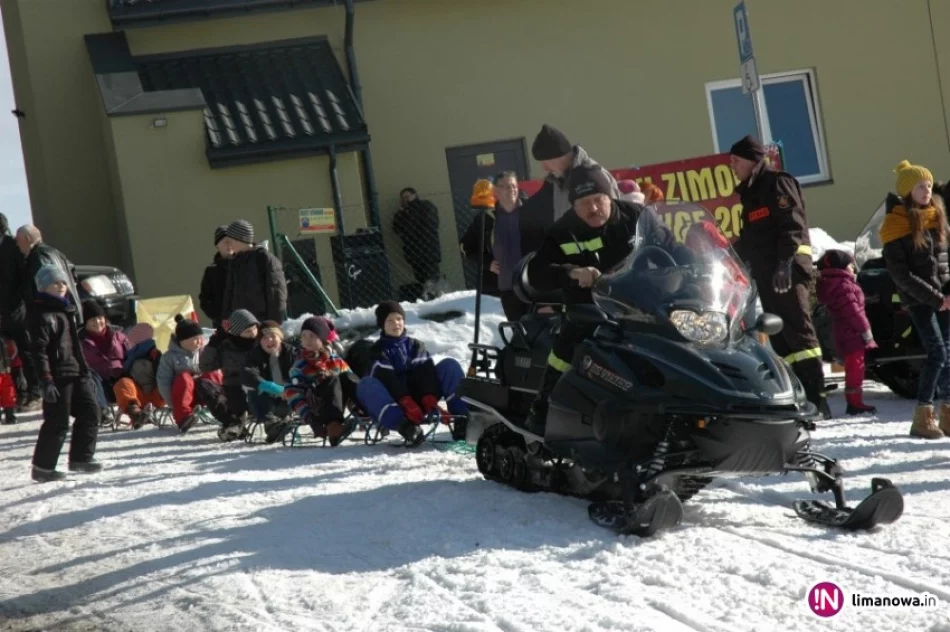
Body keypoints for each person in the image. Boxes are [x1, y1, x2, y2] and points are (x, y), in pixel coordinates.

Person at [521, 166, 667, 435]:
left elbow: (669, 248)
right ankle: (542, 411)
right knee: (569, 344)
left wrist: (695, 267)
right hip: (588, 307)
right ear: (573, 205)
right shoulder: (562, 231)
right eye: (584, 203)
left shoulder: (637, 217)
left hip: (640, 304)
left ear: (610, 197)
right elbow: (538, 274)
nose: (593, 208)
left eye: (598, 200)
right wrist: (571, 273)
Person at [729, 134, 828, 418]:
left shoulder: (777, 183)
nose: (732, 166)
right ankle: (798, 394)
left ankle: (818, 399)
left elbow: (792, 226)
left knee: (800, 334)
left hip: (788, 273)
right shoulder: (751, 193)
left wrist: (785, 264)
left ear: (751, 160)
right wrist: (726, 253)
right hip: (767, 275)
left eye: (735, 160)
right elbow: (753, 239)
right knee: (782, 337)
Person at [880, 160, 950, 439]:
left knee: (948, 354)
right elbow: (901, 275)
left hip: (943, 299)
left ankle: (947, 415)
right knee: (937, 353)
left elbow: (945, 262)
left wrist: (947, 293)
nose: (927, 190)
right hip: (920, 300)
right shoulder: (895, 225)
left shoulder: (937, 217)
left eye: (929, 185)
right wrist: (936, 298)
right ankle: (922, 416)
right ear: (908, 191)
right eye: (921, 186)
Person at [356, 302, 469, 447]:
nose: (396, 323)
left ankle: (461, 420)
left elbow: (425, 372)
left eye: (399, 319)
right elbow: (387, 378)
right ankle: (407, 428)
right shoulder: (376, 351)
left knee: (450, 366)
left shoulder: (416, 345)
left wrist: (429, 398)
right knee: (365, 385)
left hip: (421, 399)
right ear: (382, 325)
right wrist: (405, 400)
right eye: (390, 320)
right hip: (395, 404)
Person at [29, 265, 101, 482]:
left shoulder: (66, 309)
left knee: (91, 411)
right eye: (55, 283)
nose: (61, 286)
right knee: (57, 421)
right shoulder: (42, 314)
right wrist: (46, 380)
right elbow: (39, 351)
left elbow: (75, 346)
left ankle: (81, 458)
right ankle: (43, 468)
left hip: (76, 371)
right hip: (57, 375)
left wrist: (85, 370)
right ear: (43, 287)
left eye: (63, 282)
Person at [519, 124, 619, 239]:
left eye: (545, 162)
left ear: (558, 156)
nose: (544, 168)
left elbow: (615, 214)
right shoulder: (557, 180)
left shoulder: (595, 176)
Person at [816, 250, 877, 416]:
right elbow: (854, 312)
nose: (853, 268)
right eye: (850, 265)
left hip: (843, 331)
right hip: (852, 332)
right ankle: (855, 403)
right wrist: (866, 331)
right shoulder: (844, 285)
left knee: (853, 367)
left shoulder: (834, 284)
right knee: (856, 368)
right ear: (841, 267)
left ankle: (854, 401)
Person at [282, 316, 359, 447]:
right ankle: (333, 427)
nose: (307, 340)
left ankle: (368, 410)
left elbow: (350, 382)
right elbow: (292, 392)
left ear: (323, 339)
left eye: (312, 336)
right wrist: (309, 418)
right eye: (304, 336)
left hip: (337, 402)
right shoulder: (300, 365)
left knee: (347, 376)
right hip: (315, 409)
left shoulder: (335, 360)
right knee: (330, 379)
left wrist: (355, 406)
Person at [156, 315, 233, 434]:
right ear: (182, 340)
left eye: (200, 338)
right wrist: (173, 403)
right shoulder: (169, 358)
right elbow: (163, 382)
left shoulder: (203, 352)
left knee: (212, 371)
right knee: (184, 378)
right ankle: (183, 417)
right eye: (195, 339)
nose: (200, 341)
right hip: (181, 398)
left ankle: (225, 405)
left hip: (205, 393)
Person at [199, 309, 260, 441]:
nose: (253, 334)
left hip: (258, 388)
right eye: (248, 331)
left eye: (255, 329)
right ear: (237, 332)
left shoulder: (261, 344)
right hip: (233, 389)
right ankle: (233, 422)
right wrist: (213, 344)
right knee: (204, 385)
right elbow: (205, 365)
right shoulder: (226, 347)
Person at [0, 213, 40, 411]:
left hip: (16, 309)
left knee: (25, 351)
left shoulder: (12, 246)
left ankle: (34, 392)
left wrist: (17, 304)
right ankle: (19, 393)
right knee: (9, 355)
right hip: (5, 310)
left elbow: (23, 278)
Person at [219, 220, 288, 324]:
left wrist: (273, 324)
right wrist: (226, 316)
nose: (228, 245)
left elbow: (276, 294)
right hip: (240, 323)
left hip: (261, 322)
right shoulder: (234, 261)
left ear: (240, 239)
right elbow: (229, 292)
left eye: (230, 241)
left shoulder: (264, 259)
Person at [17, 225, 82, 326]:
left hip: (55, 319)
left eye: (18, 240)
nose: (17, 244)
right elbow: (73, 275)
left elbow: (49, 289)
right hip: (67, 313)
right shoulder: (54, 251)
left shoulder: (38, 256)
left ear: (27, 239)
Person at [242, 320, 295, 443]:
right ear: (260, 341)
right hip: (265, 403)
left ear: (280, 338)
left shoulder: (291, 352)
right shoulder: (254, 355)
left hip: (288, 400)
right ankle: (272, 425)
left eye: (273, 336)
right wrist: (269, 386)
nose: (269, 340)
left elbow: (300, 371)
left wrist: (288, 387)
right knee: (255, 390)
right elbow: (248, 373)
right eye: (264, 338)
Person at [113, 324, 164, 429]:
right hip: (137, 396)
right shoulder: (127, 356)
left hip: (155, 394)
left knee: (166, 382)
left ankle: (138, 412)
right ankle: (136, 413)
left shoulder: (157, 354)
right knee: (123, 383)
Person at [393, 187, 443, 292]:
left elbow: (431, 223)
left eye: (407, 196)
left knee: (432, 273)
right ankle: (429, 292)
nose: (405, 200)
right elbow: (396, 229)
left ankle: (436, 292)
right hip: (413, 249)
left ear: (414, 195)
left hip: (428, 247)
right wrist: (402, 213)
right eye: (403, 198)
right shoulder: (403, 213)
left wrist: (409, 214)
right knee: (420, 275)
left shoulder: (425, 206)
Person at [459, 179, 500, 297]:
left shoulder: (521, 213)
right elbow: (466, 247)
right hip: (493, 285)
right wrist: (488, 263)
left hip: (521, 280)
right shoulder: (483, 219)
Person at [199, 226, 231, 330]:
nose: (229, 244)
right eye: (225, 241)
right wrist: (219, 318)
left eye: (232, 241)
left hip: (248, 325)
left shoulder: (246, 266)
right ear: (217, 246)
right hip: (223, 326)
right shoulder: (211, 271)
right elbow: (205, 299)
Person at [0, 331, 18, 424]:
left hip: (4, 370)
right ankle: (10, 415)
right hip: (4, 369)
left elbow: (7, 353)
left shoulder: (2, 338)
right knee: (8, 392)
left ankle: (10, 415)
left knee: (8, 392)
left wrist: (8, 365)